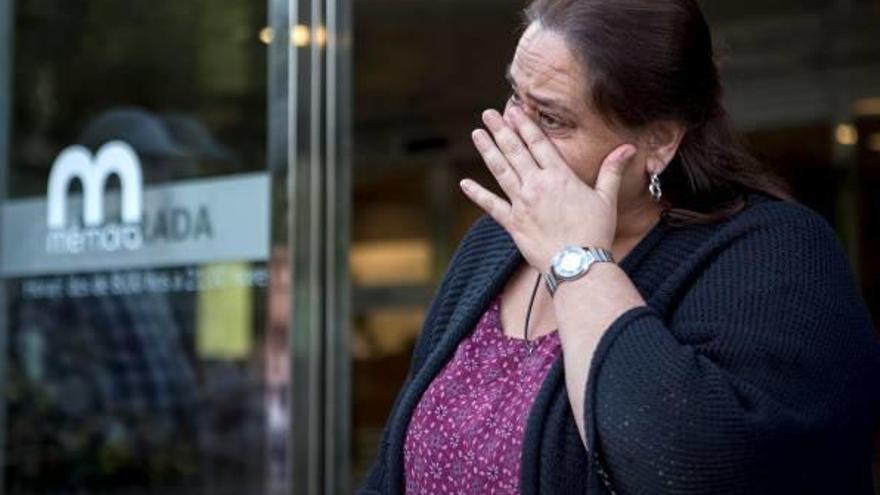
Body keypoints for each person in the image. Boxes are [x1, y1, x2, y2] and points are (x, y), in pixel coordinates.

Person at [358, 0, 880, 493]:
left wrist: (576, 261)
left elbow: (686, 466)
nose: (516, 133)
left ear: (659, 142)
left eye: (553, 118)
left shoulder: (776, 253)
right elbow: (391, 469)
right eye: (516, 97)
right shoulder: (492, 246)